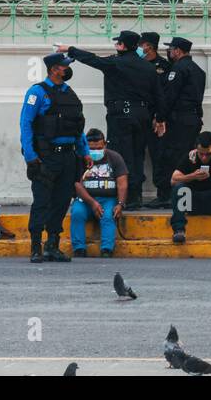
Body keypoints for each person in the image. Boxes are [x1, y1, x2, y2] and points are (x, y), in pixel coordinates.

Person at [60, 31, 157, 210]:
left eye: (118, 43)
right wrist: (160, 117)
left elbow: (93, 60)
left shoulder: (116, 63)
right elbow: (158, 94)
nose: (115, 46)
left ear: (122, 45)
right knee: (138, 155)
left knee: (121, 155)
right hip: (143, 115)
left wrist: (71, 50)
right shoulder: (148, 67)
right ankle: (136, 196)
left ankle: (125, 198)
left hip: (121, 115)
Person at [20, 52, 90, 264]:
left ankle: (52, 245)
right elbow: (26, 124)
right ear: (54, 69)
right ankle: (35, 247)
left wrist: (84, 151)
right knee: (42, 201)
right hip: (46, 157)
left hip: (69, 157)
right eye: (64, 66)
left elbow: (77, 126)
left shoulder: (69, 93)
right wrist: (31, 156)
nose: (67, 69)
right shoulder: (37, 92)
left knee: (61, 202)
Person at [149, 37, 206, 210]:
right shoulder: (198, 70)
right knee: (187, 157)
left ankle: (166, 195)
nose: (169, 52)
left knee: (169, 156)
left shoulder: (178, 69)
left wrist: (160, 118)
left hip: (178, 120)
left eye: (171, 49)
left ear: (178, 51)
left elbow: (169, 96)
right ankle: (184, 195)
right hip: (192, 119)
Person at [69, 129, 127, 258]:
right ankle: (79, 249)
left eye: (99, 148)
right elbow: (76, 184)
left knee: (108, 216)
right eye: (92, 149)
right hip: (85, 199)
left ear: (105, 144)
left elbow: (122, 183)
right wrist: (92, 202)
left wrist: (120, 204)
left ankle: (107, 249)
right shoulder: (80, 158)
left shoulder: (114, 157)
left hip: (108, 199)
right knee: (77, 213)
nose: (95, 151)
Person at [170, 130, 211, 245]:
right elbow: (173, 179)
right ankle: (179, 230)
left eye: (207, 154)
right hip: (192, 204)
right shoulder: (190, 157)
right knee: (179, 188)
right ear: (196, 149)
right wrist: (192, 176)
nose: (204, 157)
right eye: (201, 154)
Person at [138, 31, 169, 204]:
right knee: (136, 155)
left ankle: (163, 194)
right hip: (138, 115)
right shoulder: (137, 64)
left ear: (148, 46)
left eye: (141, 45)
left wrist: (159, 117)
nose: (139, 48)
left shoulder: (163, 66)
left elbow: (164, 95)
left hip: (155, 118)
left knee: (158, 155)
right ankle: (135, 193)